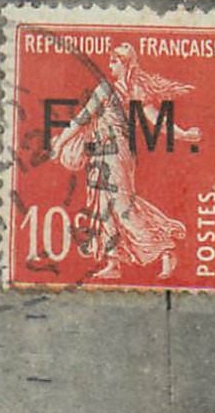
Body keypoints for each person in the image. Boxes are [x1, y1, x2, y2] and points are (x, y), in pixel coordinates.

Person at [50, 42, 203, 281]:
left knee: (122, 207)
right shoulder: (104, 89)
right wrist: (60, 143)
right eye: (110, 61)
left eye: (115, 61)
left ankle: (164, 249)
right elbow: (82, 119)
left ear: (125, 64)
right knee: (103, 207)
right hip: (99, 153)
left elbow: (155, 119)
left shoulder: (134, 90)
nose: (110, 65)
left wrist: (182, 134)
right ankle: (113, 262)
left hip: (118, 153)